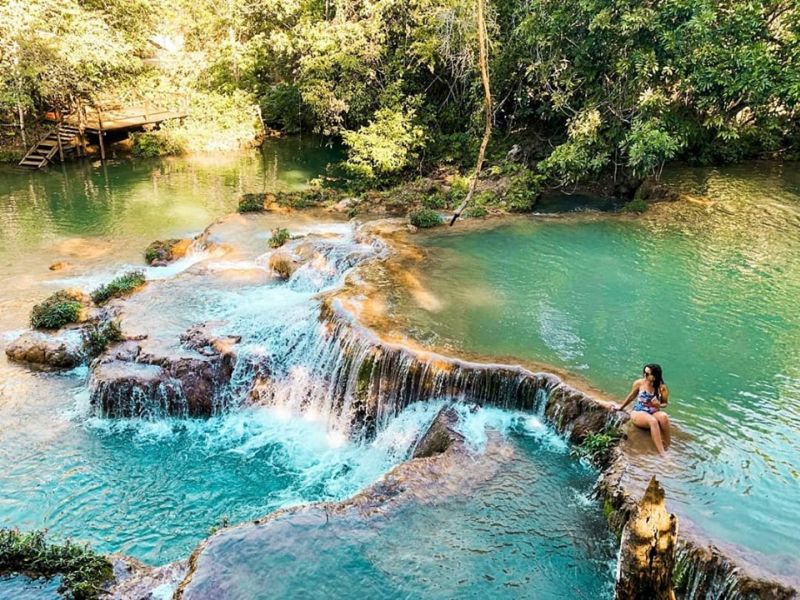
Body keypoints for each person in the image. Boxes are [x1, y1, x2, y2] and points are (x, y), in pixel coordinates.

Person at [614, 364, 670, 454]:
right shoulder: (639, 383)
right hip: (639, 411)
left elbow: (665, 404)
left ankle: (667, 444)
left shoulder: (662, 387)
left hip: (653, 411)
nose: (645, 375)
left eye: (648, 374)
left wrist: (658, 405)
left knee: (664, 417)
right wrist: (621, 407)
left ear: (655, 375)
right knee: (653, 421)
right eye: (644, 372)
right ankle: (662, 453)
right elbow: (631, 397)